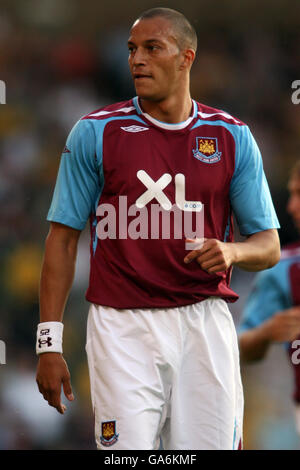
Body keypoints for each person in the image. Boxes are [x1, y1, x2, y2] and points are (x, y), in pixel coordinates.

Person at [36, 7, 280, 450]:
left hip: (203, 322)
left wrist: (232, 252)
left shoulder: (231, 137)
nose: (136, 60)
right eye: (132, 50)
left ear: (186, 57)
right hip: (121, 326)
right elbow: (62, 239)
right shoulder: (95, 133)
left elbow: (268, 245)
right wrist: (48, 343)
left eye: (152, 48)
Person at [238, 160, 300, 434]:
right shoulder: (285, 270)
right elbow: (241, 347)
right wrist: (267, 332)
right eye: (292, 194)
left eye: (299, 194)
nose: (291, 207)